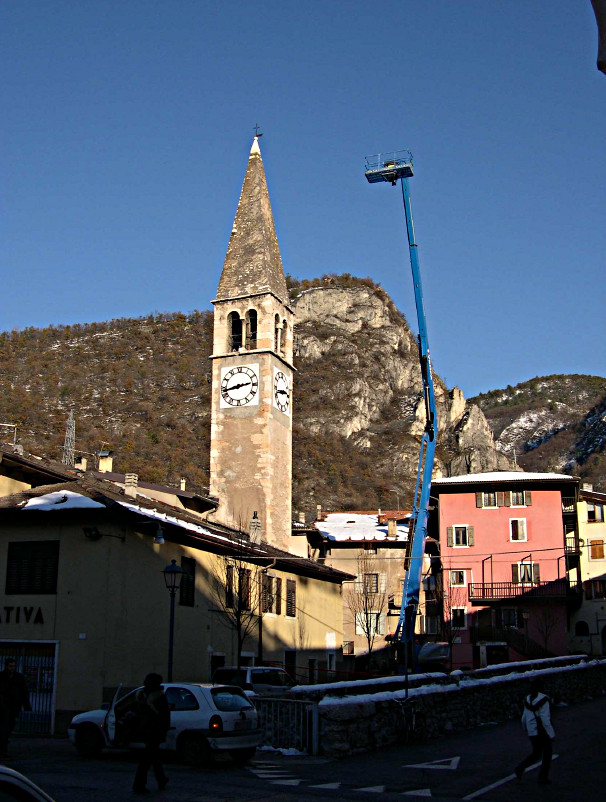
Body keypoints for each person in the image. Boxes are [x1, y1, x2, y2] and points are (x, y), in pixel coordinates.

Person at [132, 673, 170, 795]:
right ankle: (139, 785)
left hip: (147, 730)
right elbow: (164, 716)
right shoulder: (158, 697)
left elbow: (137, 714)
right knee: (147, 760)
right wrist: (164, 730)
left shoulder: (142, 696)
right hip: (153, 731)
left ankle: (161, 779)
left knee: (153, 756)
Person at [515, 678, 555, 784]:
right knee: (547, 754)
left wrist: (526, 728)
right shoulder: (544, 699)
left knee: (536, 753)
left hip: (532, 731)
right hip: (542, 731)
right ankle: (543, 776)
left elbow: (524, 717)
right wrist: (551, 734)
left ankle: (520, 768)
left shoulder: (527, 699)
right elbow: (545, 719)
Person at [0, 658, 32, 757]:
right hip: (2, 707)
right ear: (6, 666)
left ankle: (3, 747)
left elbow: (24, 692)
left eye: (13, 666)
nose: (12, 668)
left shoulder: (19, 677)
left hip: (13, 707)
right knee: (4, 729)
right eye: (10, 666)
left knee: (8, 728)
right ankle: (3, 750)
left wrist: (26, 705)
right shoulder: (1, 677)